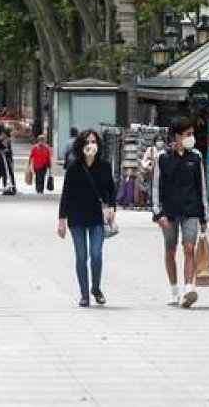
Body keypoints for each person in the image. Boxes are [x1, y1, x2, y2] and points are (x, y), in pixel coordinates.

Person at [150, 117, 209, 308]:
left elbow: (201, 186)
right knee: (170, 249)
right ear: (177, 136)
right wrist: (158, 213)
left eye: (192, 134)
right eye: (188, 134)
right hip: (169, 212)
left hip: (191, 210)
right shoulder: (162, 157)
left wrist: (204, 215)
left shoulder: (196, 156)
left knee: (189, 247)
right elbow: (156, 186)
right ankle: (174, 289)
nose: (191, 137)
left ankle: (189, 288)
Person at [57, 129, 115, 307]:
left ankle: (95, 288)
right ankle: (84, 294)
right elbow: (66, 194)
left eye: (94, 142)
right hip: (77, 216)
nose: (91, 145)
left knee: (96, 254)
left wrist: (111, 208)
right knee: (81, 256)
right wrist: (62, 219)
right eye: (88, 142)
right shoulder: (73, 168)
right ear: (81, 146)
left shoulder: (104, 166)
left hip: (97, 216)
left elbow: (111, 189)